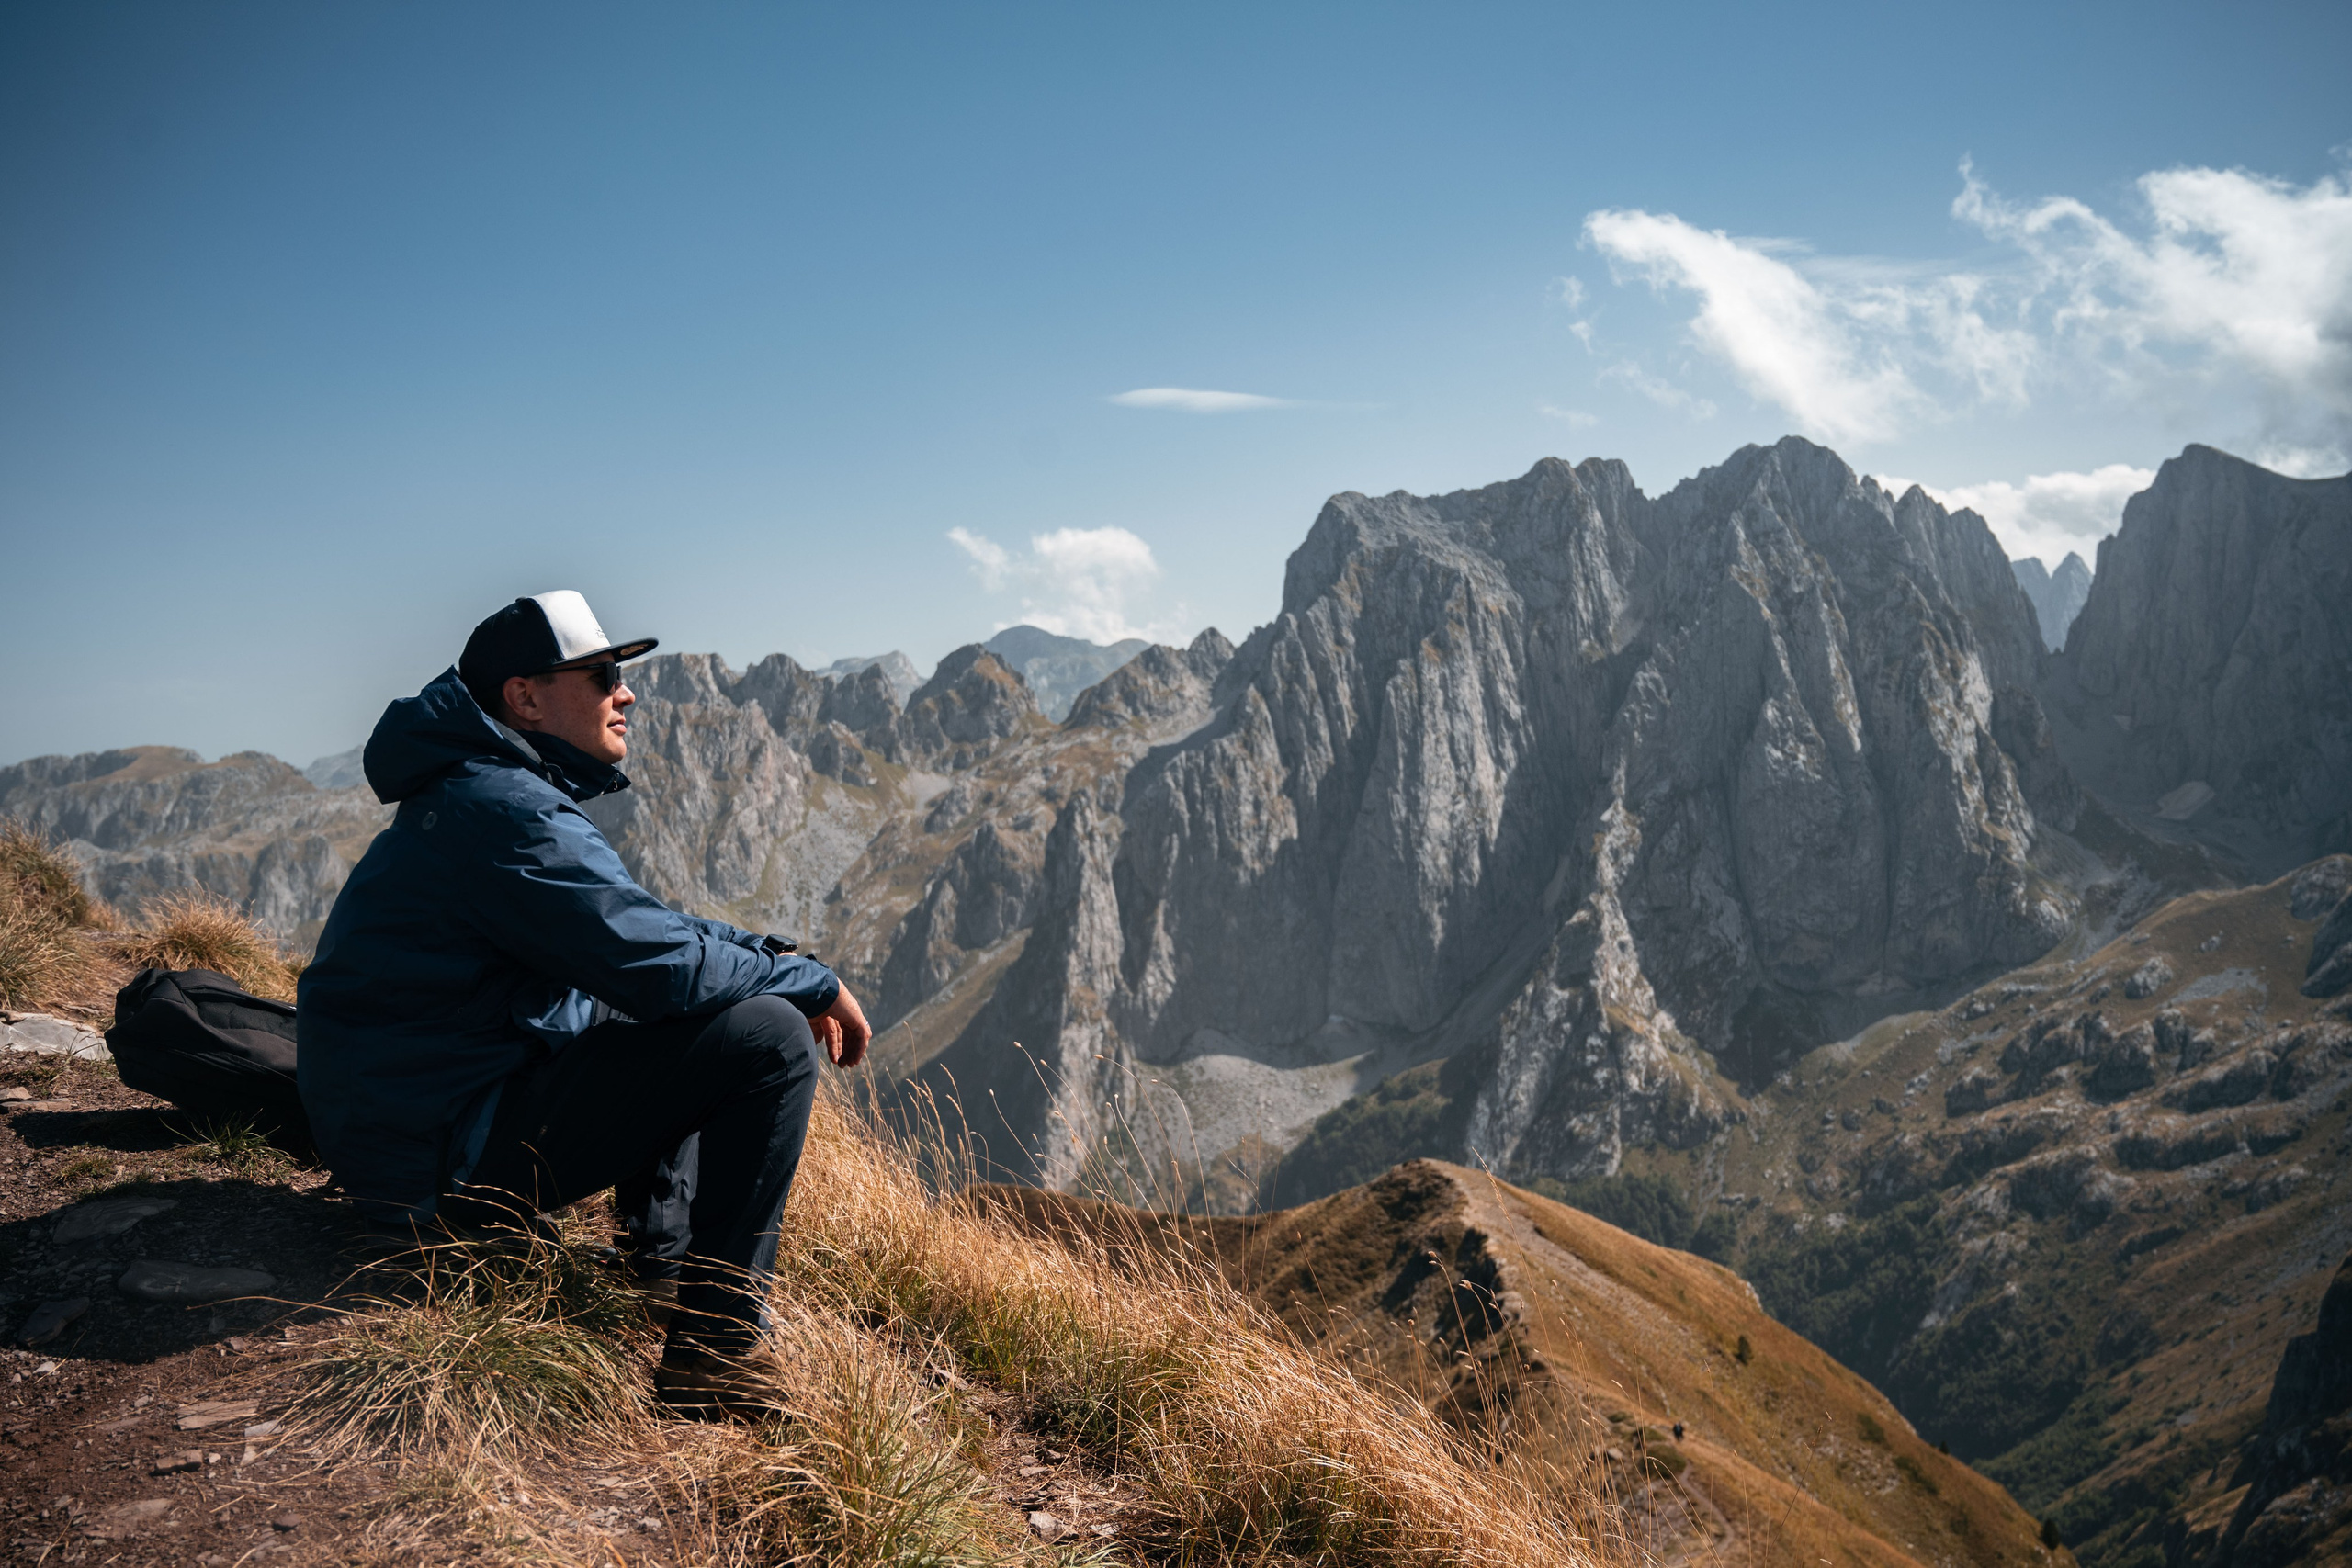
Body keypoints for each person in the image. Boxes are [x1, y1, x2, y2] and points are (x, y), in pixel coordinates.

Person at [297, 590, 871, 1419]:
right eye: (601, 675)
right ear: (524, 697)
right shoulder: (505, 812)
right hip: (432, 1161)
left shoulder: (487, 792)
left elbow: (644, 935)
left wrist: (776, 955)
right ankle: (713, 1355)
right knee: (768, 1036)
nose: (625, 692)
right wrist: (806, 982)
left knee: (663, 1001)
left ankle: (662, 1267)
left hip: (412, 1126)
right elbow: (662, 968)